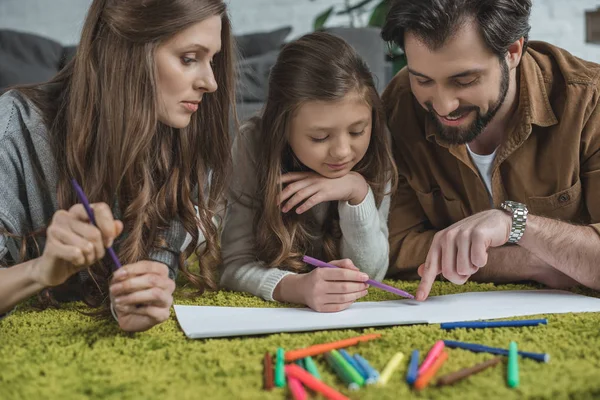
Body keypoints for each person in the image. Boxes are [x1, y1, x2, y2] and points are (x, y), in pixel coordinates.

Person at [0, 0, 236, 332]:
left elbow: (156, 266)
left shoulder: (184, 130)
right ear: (126, 52)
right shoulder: (13, 127)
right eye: (188, 59)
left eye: (212, 60)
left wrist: (142, 294)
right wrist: (41, 270)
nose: (210, 83)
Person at [380, 0, 600, 301]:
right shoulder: (397, 107)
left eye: (464, 80)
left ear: (512, 51)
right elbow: (393, 248)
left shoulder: (589, 103)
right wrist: (531, 261)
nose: (444, 106)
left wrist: (516, 225)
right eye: (423, 80)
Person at [220, 32, 398, 312]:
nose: (342, 151)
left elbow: (371, 275)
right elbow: (233, 265)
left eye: (356, 131)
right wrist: (295, 287)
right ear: (282, 129)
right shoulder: (252, 144)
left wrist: (357, 192)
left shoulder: (376, 144)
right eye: (319, 137)